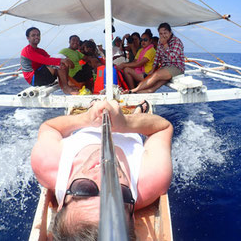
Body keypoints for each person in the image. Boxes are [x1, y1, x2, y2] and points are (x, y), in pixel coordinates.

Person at [31, 100, 173, 240]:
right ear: (132, 212)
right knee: (135, 113)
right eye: (119, 193)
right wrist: (126, 123)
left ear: (61, 204)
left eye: (84, 189)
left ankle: (93, 107)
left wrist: (86, 118)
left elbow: (49, 127)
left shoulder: (47, 163)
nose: (103, 174)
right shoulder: (151, 178)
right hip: (130, 128)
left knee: (96, 107)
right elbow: (163, 128)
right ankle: (137, 112)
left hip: (88, 124)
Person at [127, 23, 185, 94]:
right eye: (161, 34)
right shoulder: (160, 42)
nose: (163, 35)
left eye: (165, 33)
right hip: (165, 67)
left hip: (176, 67)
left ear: (170, 33)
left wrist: (165, 45)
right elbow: (157, 57)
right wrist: (153, 69)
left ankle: (133, 90)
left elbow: (172, 58)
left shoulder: (176, 42)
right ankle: (136, 93)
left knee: (156, 75)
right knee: (154, 86)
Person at [20, 27, 78, 95]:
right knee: (59, 64)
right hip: (33, 79)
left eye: (38, 35)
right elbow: (44, 60)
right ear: (28, 38)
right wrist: (62, 60)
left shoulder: (40, 51)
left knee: (60, 62)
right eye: (33, 35)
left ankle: (66, 84)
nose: (36, 37)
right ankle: (65, 88)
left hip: (41, 74)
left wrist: (65, 59)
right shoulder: (27, 50)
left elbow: (50, 58)